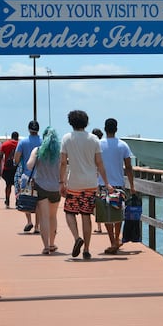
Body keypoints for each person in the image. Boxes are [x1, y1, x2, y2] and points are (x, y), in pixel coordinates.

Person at [59, 110, 113, 260]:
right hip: (90, 183)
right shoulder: (94, 139)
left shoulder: (66, 138)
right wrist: (106, 182)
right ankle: (87, 249)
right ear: (86, 122)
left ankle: (77, 238)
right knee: (86, 215)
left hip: (74, 183)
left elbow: (63, 162)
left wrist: (61, 182)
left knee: (69, 212)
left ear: (71, 122)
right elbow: (100, 163)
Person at [97, 118, 135, 254]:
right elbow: (129, 167)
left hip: (103, 183)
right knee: (118, 212)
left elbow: (94, 164)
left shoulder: (98, 144)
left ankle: (112, 240)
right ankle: (116, 240)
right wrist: (132, 185)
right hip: (119, 184)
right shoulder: (123, 145)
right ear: (116, 129)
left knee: (105, 213)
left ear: (105, 129)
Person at [27, 126, 61, 254]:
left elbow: (29, 166)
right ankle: (52, 244)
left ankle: (46, 246)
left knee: (44, 218)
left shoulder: (38, 150)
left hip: (41, 187)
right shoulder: (59, 152)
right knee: (53, 216)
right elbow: (63, 169)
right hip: (55, 187)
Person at [15, 120, 43, 233]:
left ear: (28, 129)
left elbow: (16, 159)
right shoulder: (43, 142)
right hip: (40, 176)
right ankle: (37, 226)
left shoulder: (22, 142)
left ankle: (29, 221)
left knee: (26, 197)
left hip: (27, 174)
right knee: (39, 202)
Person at [0, 131, 19, 208]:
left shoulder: (5, 144)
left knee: (8, 185)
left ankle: (7, 201)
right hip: (17, 168)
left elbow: (0, 156)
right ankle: (18, 201)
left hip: (7, 168)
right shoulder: (19, 144)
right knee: (18, 186)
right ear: (17, 137)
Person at [91, 128, 105, 234]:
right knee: (109, 202)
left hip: (96, 179)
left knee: (97, 203)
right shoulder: (103, 145)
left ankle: (99, 226)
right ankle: (110, 223)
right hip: (106, 177)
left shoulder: (94, 146)